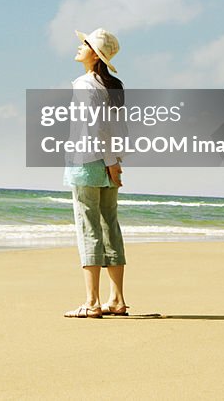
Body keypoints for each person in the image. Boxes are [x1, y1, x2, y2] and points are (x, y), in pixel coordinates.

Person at [62, 27, 129, 319]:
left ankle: (91, 302)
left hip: (87, 162)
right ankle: (117, 300)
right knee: (109, 226)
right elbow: (117, 129)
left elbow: (94, 128)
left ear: (95, 54)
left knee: (88, 227)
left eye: (85, 44)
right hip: (107, 162)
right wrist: (115, 161)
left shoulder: (84, 84)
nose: (80, 47)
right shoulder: (112, 86)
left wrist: (109, 160)